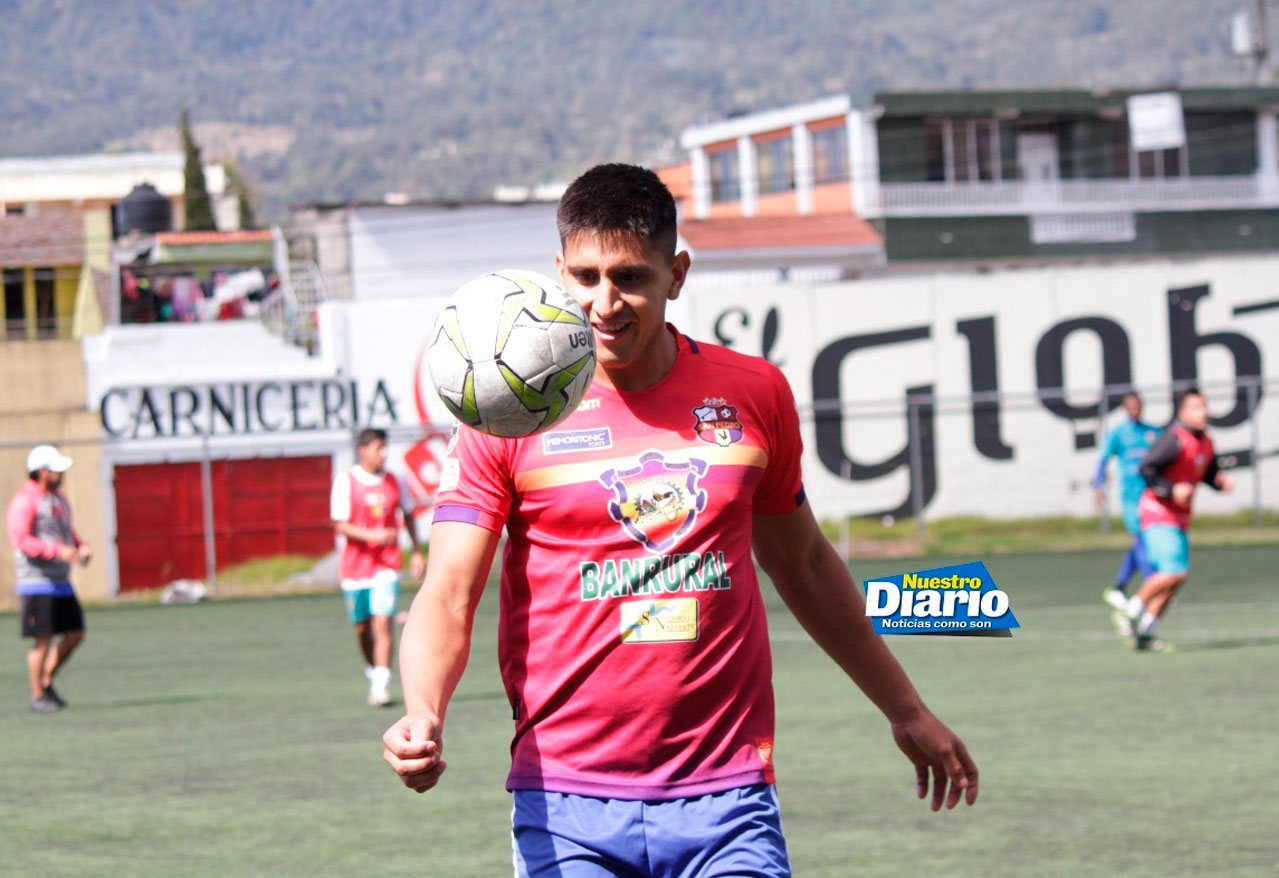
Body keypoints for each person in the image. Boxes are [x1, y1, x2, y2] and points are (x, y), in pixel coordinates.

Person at [382, 164, 977, 876]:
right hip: (565, 801)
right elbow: (449, 591)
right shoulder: (508, 415)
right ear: (559, 274)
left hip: (728, 796)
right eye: (585, 277)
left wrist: (904, 708)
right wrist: (424, 710)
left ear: (677, 274)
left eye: (630, 277)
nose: (604, 303)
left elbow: (806, 566)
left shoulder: (753, 392)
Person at [1121, 388, 1232, 652]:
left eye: (1204, 406)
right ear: (1183, 413)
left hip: (1180, 516)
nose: (1203, 412)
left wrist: (1219, 482)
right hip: (1158, 512)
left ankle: (1146, 632)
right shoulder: (1173, 438)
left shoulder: (1206, 442)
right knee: (1174, 572)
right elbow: (1147, 468)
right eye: (1196, 407)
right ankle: (1128, 611)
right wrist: (1172, 490)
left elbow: (1207, 473)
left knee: (1175, 579)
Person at [331, 428, 424, 706]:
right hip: (355, 568)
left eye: (385, 448)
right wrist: (372, 535)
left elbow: (408, 515)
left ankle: (381, 685)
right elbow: (340, 525)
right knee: (362, 628)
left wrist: (417, 552)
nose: (383, 454)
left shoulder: (395, 481)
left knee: (382, 621)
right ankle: (374, 670)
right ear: (363, 451)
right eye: (378, 449)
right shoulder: (346, 481)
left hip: (387, 565)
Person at [7, 444, 91, 713]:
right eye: (54, 470)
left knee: (75, 633)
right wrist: (55, 551)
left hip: (61, 581)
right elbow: (21, 539)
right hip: (36, 581)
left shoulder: (60, 500)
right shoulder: (25, 500)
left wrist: (81, 547)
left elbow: (68, 533)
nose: (60, 475)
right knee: (42, 639)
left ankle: (46, 681)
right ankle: (37, 694)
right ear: (41, 472)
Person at [1093, 392, 1159, 622]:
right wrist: (1098, 485)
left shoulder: (1152, 432)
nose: (1134, 409)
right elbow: (1103, 458)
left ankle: (1119, 587)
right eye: (1130, 406)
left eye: (1137, 405)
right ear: (1125, 408)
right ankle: (1153, 584)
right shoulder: (1118, 433)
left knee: (1143, 542)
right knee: (1142, 539)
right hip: (1131, 498)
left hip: (1152, 497)